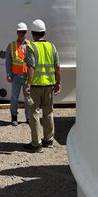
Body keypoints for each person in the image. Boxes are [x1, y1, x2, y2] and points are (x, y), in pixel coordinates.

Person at [23, 19, 61, 153]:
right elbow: (57, 67)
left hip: (35, 86)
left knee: (34, 113)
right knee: (48, 112)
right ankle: (48, 140)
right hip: (49, 85)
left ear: (32, 33)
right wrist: (58, 82)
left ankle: (36, 143)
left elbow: (31, 67)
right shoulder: (52, 46)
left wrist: (28, 84)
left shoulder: (31, 47)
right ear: (44, 32)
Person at [5, 22, 31, 126]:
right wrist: (8, 73)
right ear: (17, 32)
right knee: (14, 97)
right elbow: (8, 61)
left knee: (28, 98)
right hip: (15, 76)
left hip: (27, 76)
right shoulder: (11, 46)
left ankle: (29, 118)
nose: (22, 34)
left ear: (26, 32)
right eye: (20, 32)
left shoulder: (30, 45)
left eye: (23, 32)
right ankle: (14, 117)